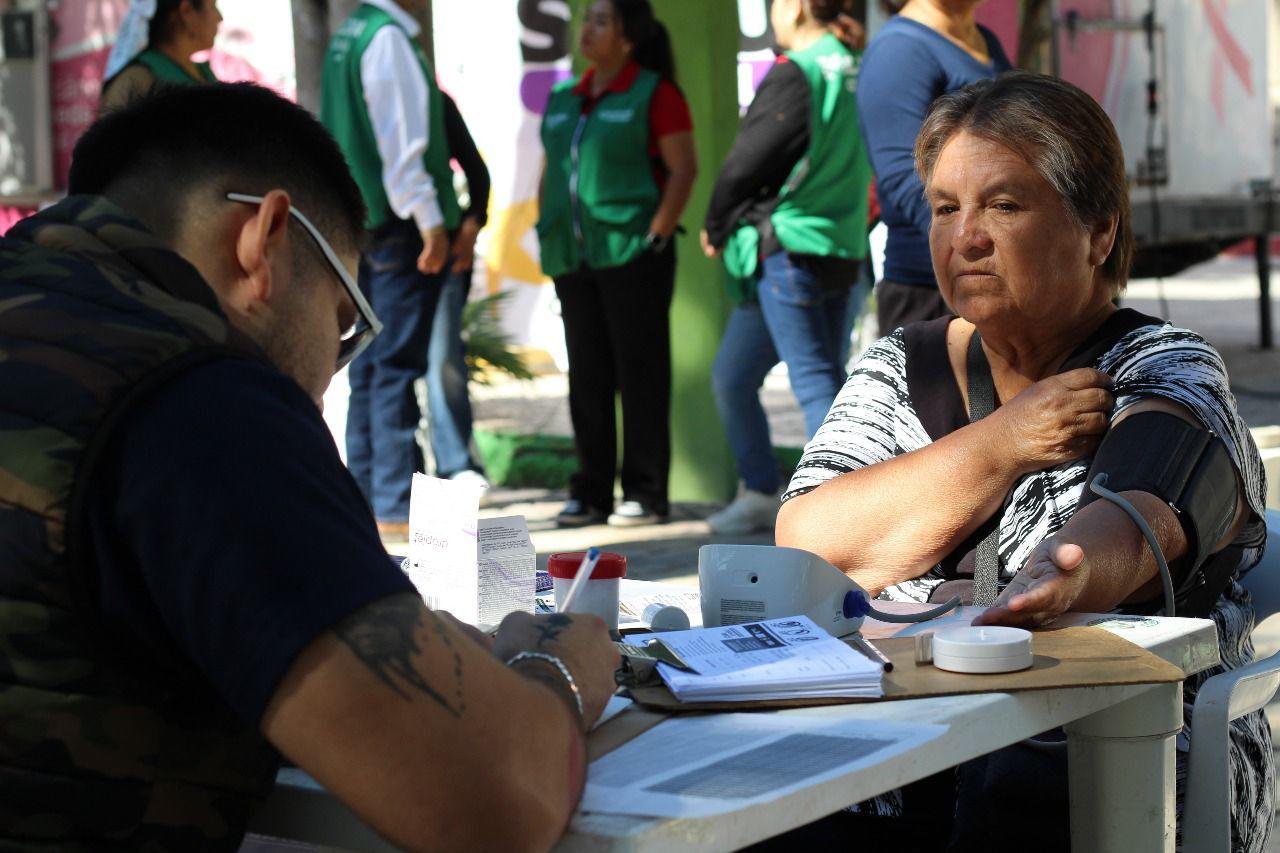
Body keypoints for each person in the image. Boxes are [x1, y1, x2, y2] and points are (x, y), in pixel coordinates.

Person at [0, 83, 619, 850]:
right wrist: (557, 666)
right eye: (343, 323)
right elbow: (496, 797)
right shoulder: (198, 397)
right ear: (265, 239)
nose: (330, 381)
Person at [775, 73, 1272, 851]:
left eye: (1003, 205)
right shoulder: (900, 368)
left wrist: (1068, 574)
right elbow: (805, 542)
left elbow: (1149, 511)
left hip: (1116, 753)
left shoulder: (1164, 364)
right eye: (945, 208)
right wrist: (1005, 440)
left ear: (1098, 231)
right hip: (905, 752)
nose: (965, 235)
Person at [700, 0, 869, 535]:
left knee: (817, 381)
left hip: (792, 247)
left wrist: (716, 219)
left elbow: (749, 158)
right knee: (734, 374)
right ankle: (759, 488)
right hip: (837, 243)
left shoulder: (799, 70)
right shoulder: (853, 64)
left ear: (794, 7)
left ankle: (842, 511)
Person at [537, 0, 697, 528]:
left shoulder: (656, 92)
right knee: (586, 376)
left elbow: (683, 169)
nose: (588, 29)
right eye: (587, 19)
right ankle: (591, 493)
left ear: (627, 36)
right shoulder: (565, 99)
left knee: (641, 374)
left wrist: (656, 233)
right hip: (574, 259)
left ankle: (646, 493)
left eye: (602, 21)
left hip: (634, 256)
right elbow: (552, 173)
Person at [321, 0, 460, 539]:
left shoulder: (349, 35)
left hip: (365, 222)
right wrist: (431, 220)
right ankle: (395, 502)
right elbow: (402, 148)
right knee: (394, 364)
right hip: (397, 223)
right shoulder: (386, 39)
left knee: (371, 365)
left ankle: (366, 496)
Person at [857, 0, 1011, 335]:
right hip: (931, 293)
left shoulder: (983, 39)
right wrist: (983, 242)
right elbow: (904, 177)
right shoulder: (899, 50)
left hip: (989, 277)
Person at [423, 90, 490, 493]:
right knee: (383, 368)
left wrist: (469, 227)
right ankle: (403, 472)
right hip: (384, 252)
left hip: (443, 252)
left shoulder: (436, 102)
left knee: (443, 358)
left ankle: (457, 461)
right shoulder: (362, 101)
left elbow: (477, 174)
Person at [99, 0, 221, 114]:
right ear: (186, 11)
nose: (220, 17)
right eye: (213, 6)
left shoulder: (204, 72)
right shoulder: (137, 79)